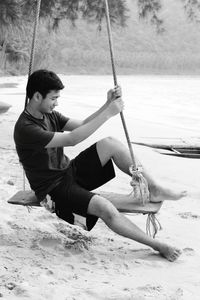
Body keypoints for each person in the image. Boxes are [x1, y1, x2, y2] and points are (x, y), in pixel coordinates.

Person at [14, 69, 186, 262]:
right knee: (106, 208)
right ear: (37, 96)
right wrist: (109, 114)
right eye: (53, 98)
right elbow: (71, 139)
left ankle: (154, 188)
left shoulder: (49, 114)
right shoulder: (26, 128)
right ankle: (158, 245)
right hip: (53, 190)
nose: (57, 103)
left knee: (110, 143)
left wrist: (107, 104)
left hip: (68, 172)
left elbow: (81, 125)